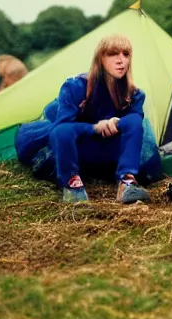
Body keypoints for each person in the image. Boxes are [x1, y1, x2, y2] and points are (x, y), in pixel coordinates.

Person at [17, 35, 156, 203]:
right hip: (77, 142)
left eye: (126, 54)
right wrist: (96, 127)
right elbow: (62, 129)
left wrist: (116, 122)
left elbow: (134, 124)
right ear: (100, 58)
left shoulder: (134, 94)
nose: (121, 60)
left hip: (109, 144)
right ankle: (71, 184)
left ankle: (126, 183)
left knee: (137, 130)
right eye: (113, 54)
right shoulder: (75, 86)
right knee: (55, 136)